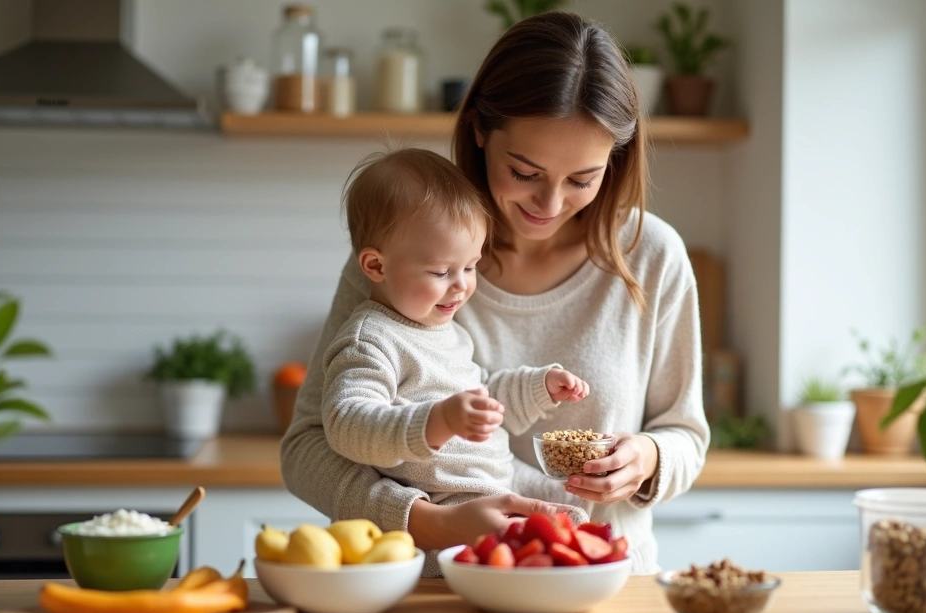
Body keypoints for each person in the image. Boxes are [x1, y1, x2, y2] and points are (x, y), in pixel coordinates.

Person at [282, 11, 710, 576]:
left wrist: (648, 459)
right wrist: (429, 522)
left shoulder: (652, 255)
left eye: (582, 179)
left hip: (605, 582)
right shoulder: (406, 258)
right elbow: (309, 446)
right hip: (437, 588)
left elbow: (686, 434)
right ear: (481, 130)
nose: (550, 204)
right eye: (525, 171)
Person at [322, 146, 591, 514]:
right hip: (446, 503)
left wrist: (537, 386)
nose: (461, 285)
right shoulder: (369, 340)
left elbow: (484, 401)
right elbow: (346, 423)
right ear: (375, 265)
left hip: (498, 480)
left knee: (578, 502)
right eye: (440, 272)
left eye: (470, 266)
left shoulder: (449, 333)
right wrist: (438, 421)